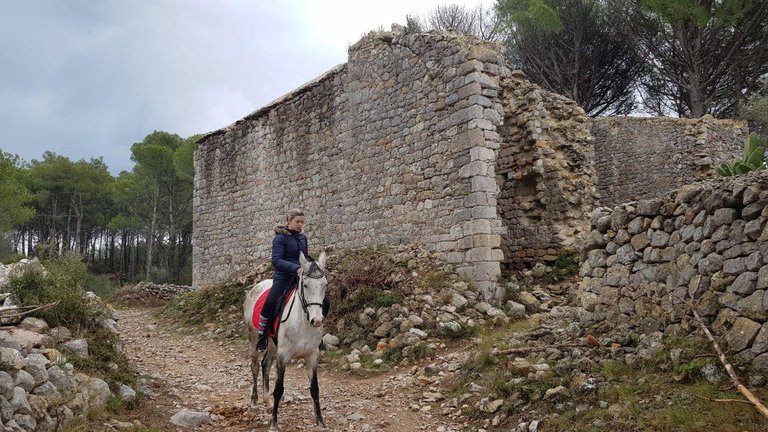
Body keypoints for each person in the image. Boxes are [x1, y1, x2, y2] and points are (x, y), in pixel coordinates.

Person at [256, 209, 329, 351]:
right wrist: (295, 268)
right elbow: (276, 260)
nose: (300, 224)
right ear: (289, 221)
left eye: (302, 222)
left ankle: (315, 333)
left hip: (301, 277)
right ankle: (263, 335)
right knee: (270, 302)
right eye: (297, 222)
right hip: (283, 277)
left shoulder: (303, 238)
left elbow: (305, 257)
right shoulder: (279, 238)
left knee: (325, 301)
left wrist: (313, 266)